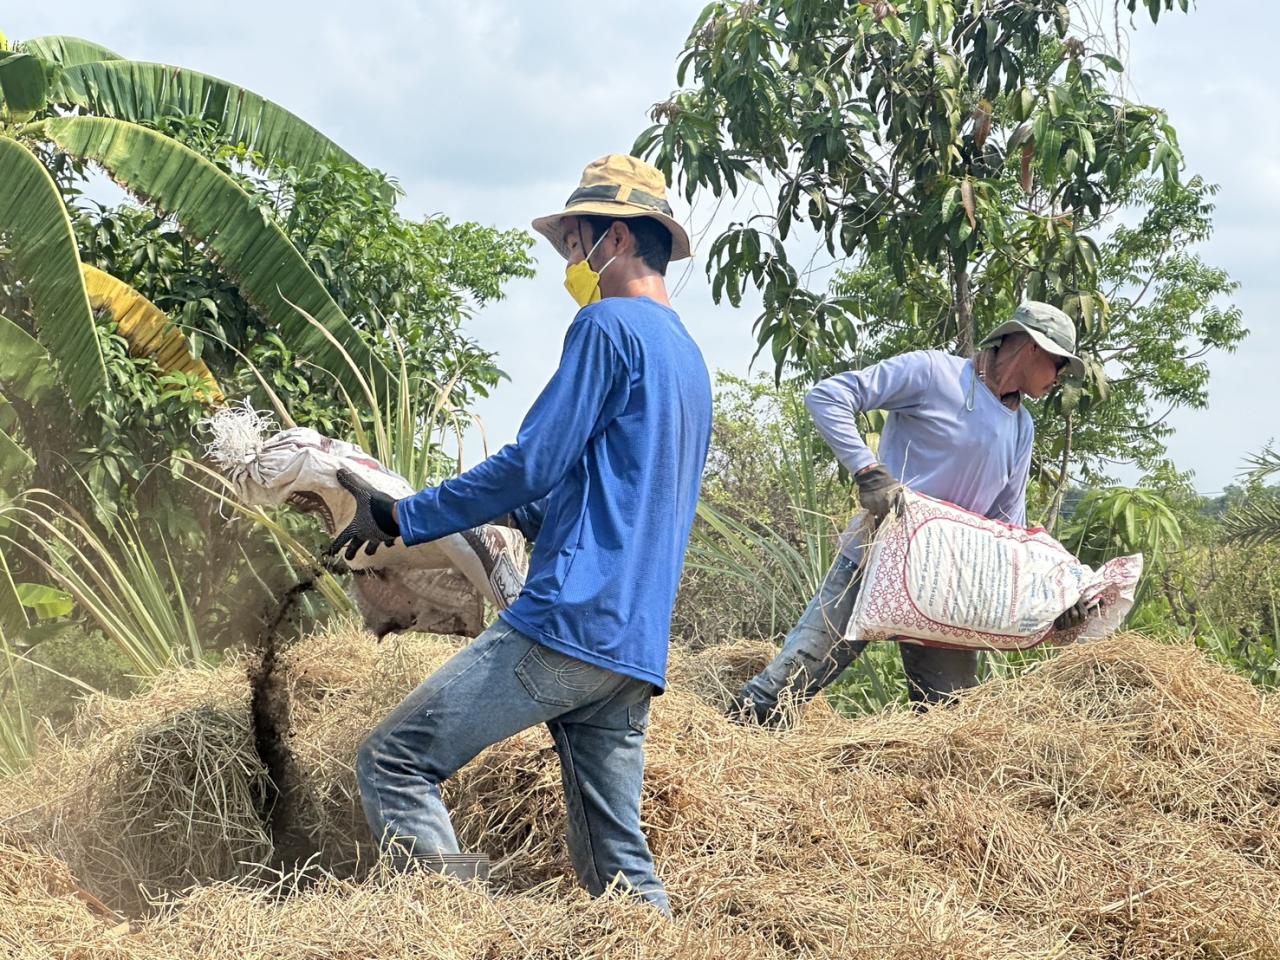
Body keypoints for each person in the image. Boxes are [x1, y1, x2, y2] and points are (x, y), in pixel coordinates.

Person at [328, 155, 712, 915]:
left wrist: (405, 515)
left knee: (394, 761)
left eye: (578, 244)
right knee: (617, 864)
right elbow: (584, 495)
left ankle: (460, 930)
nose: (573, 262)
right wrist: (472, 517)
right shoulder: (689, 361)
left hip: (568, 623)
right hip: (632, 646)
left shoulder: (607, 325)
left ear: (620, 238)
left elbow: (531, 463)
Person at [731, 302, 1091, 726]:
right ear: (1032, 348)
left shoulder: (1021, 426)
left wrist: (1054, 596)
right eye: (1058, 365)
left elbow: (1008, 524)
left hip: (950, 586)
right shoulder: (933, 374)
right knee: (791, 682)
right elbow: (828, 397)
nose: (1059, 380)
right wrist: (869, 473)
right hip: (877, 557)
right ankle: (729, 742)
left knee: (949, 720)